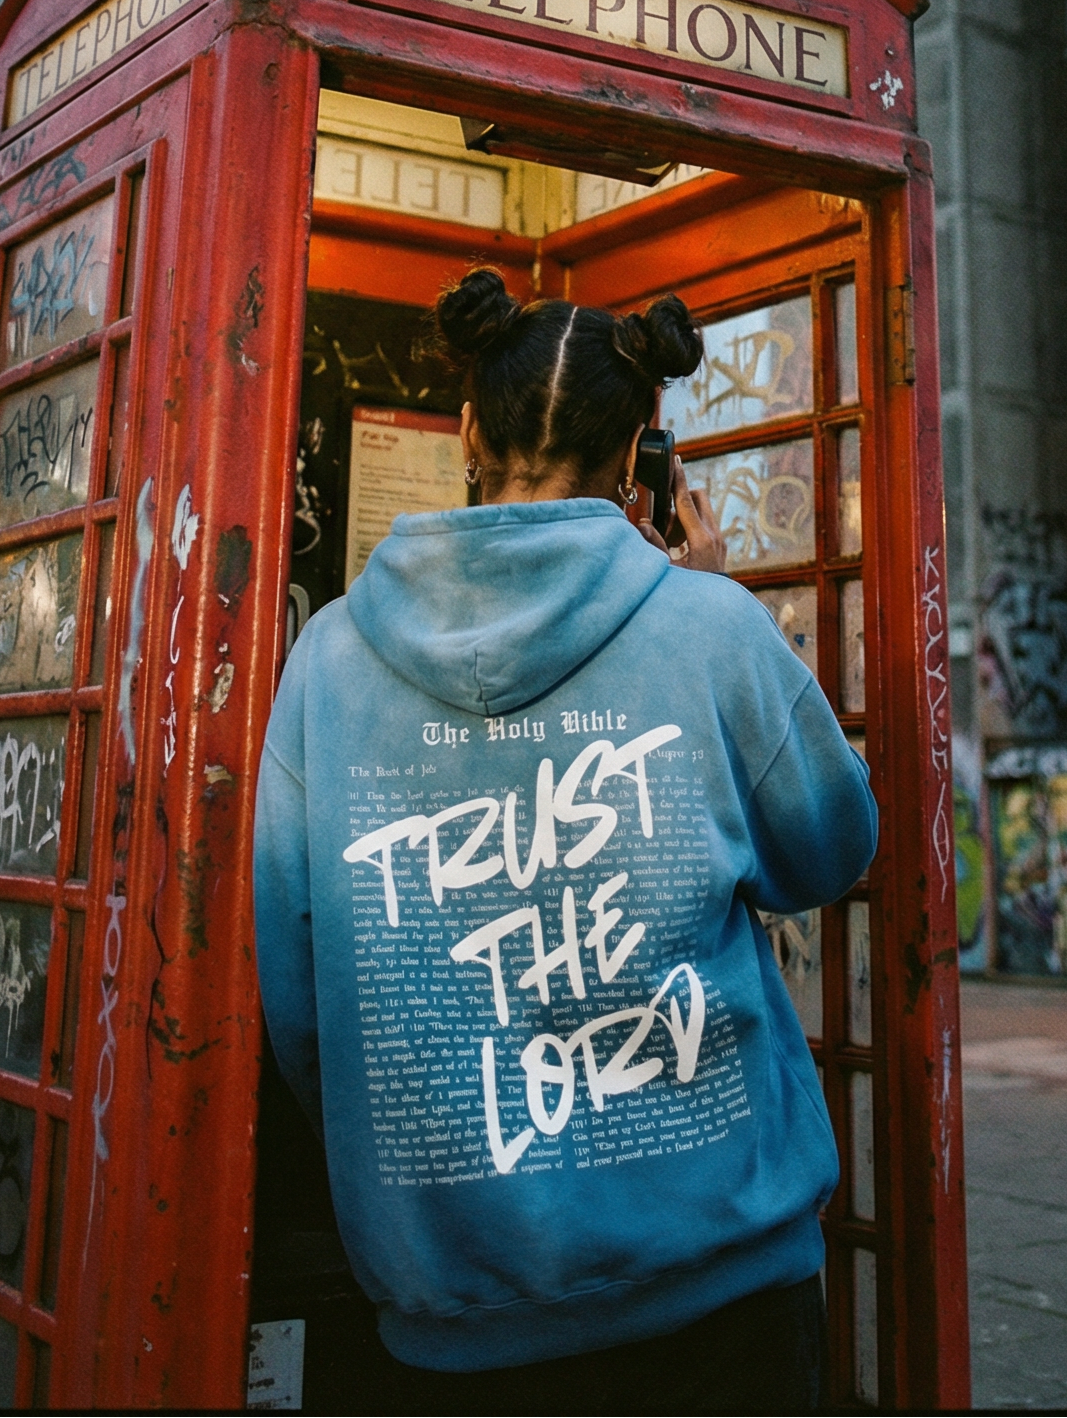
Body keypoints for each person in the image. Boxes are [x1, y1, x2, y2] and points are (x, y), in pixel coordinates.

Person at [253, 268, 878, 1414]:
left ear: (468, 428)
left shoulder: (327, 661)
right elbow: (835, 846)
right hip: (725, 1297)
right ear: (645, 447)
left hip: (455, 1314)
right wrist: (720, 603)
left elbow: (303, 1012)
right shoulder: (711, 628)